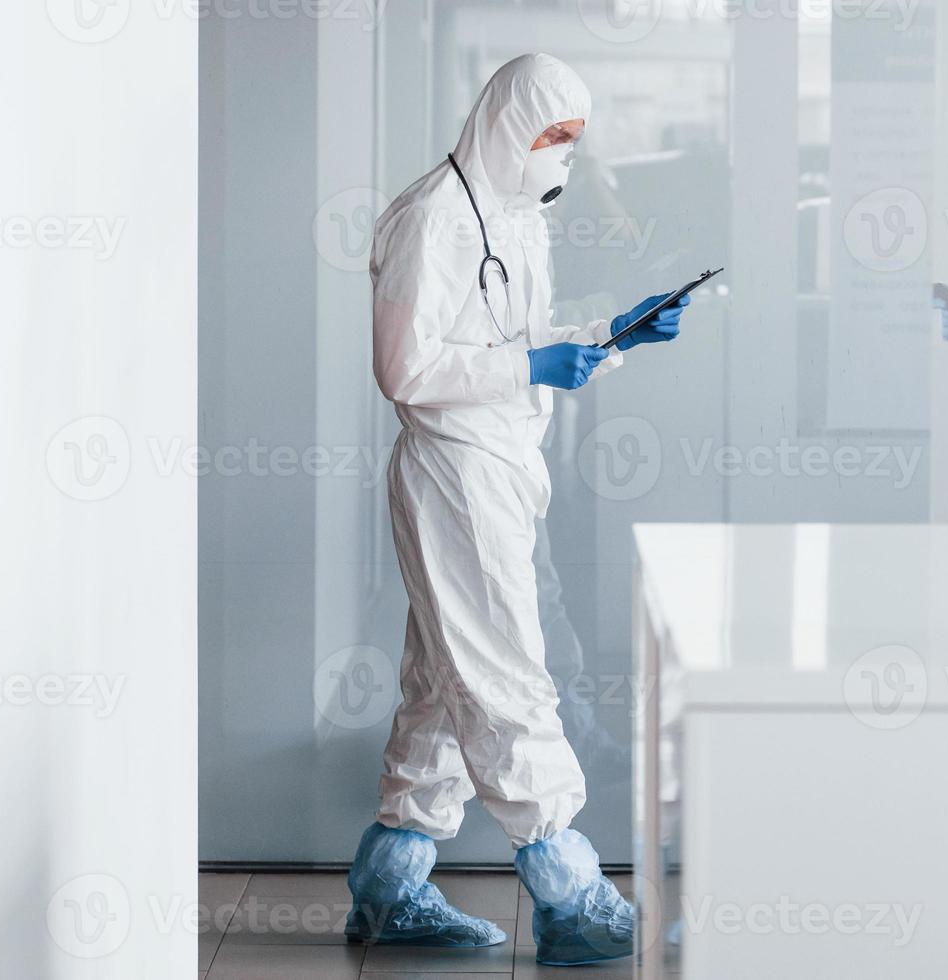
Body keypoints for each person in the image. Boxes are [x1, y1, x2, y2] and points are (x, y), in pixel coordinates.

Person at [349, 53, 689, 967]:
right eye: (550, 138)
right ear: (506, 126)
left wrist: (610, 333)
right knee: (506, 678)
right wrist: (530, 368)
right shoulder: (434, 218)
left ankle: (388, 893)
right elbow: (404, 369)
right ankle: (571, 897)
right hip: (455, 473)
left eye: (573, 143)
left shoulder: (510, 217)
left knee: (441, 686)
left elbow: (512, 340)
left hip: (500, 467)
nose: (561, 159)